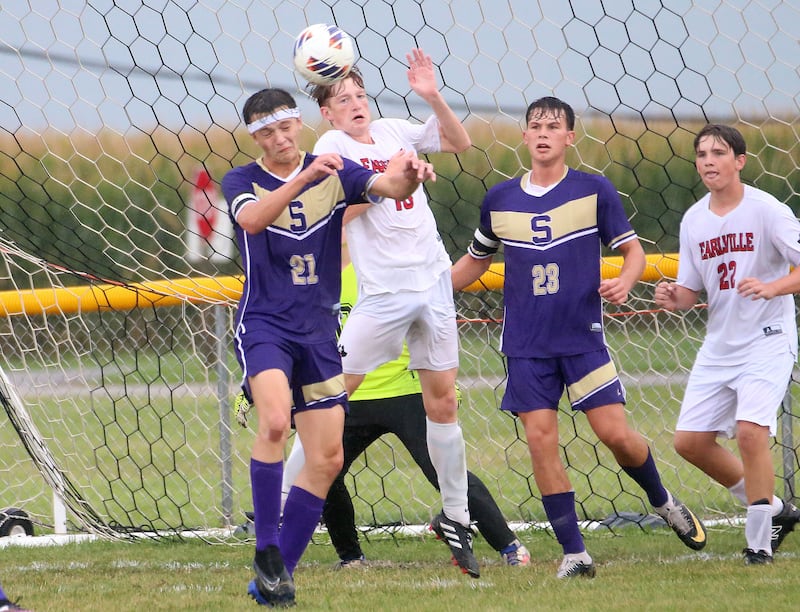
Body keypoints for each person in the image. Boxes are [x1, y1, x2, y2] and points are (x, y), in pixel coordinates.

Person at [450, 96, 707, 579]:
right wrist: (429, 290)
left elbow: (632, 253)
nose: (543, 133)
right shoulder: (499, 199)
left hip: (583, 339)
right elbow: (477, 261)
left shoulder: (594, 191)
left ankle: (662, 499)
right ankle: (575, 554)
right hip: (525, 346)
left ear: (570, 137)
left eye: (553, 126)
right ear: (524, 136)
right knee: (541, 442)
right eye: (534, 126)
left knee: (615, 435)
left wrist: (628, 280)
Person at [220, 87, 436, 607]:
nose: (279, 138)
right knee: (274, 422)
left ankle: (277, 578)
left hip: (317, 332)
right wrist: (303, 179)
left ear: (298, 124)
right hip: (266, 324)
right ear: (255, 137)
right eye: (266, 132)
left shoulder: (333, 168)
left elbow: (383, 184)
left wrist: (411, 172)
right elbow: (251, 220)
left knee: (327, 457)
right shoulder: (243, 180)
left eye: (285, 127)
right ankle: (266, 548)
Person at [306, 49, 479, 576]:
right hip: (382, 295)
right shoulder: (331, 146)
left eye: (359, 94)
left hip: (430, 282)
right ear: (328, 113)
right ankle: (285, 504)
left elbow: (459, 142)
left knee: (443, 400)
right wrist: (395, 182)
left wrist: (431, 95)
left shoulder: (395, 130)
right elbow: (345, 202)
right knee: (332, 396)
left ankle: (456, 517)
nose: (355, 103)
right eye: (343, 98)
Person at [279, 235, 531, 570]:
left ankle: (509, 546)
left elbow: (425, 314)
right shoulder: (310, 280)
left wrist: (442, 384)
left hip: (404, 390)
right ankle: (350, 557)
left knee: (443, 470)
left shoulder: (377, 267)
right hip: (351, 397)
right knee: (322, 469)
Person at [654, 123, 800, 565]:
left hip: (767, 339)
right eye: (702, 154)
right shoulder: (694, 219)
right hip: (720, 345)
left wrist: (775, 288)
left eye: (719, 153)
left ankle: (758, 546)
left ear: (739, 161)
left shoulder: (767, 210)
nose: (709, 161)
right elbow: (689, 293)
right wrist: (670, 297)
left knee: (752, 433)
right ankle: (775, 510)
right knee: (689, 442)